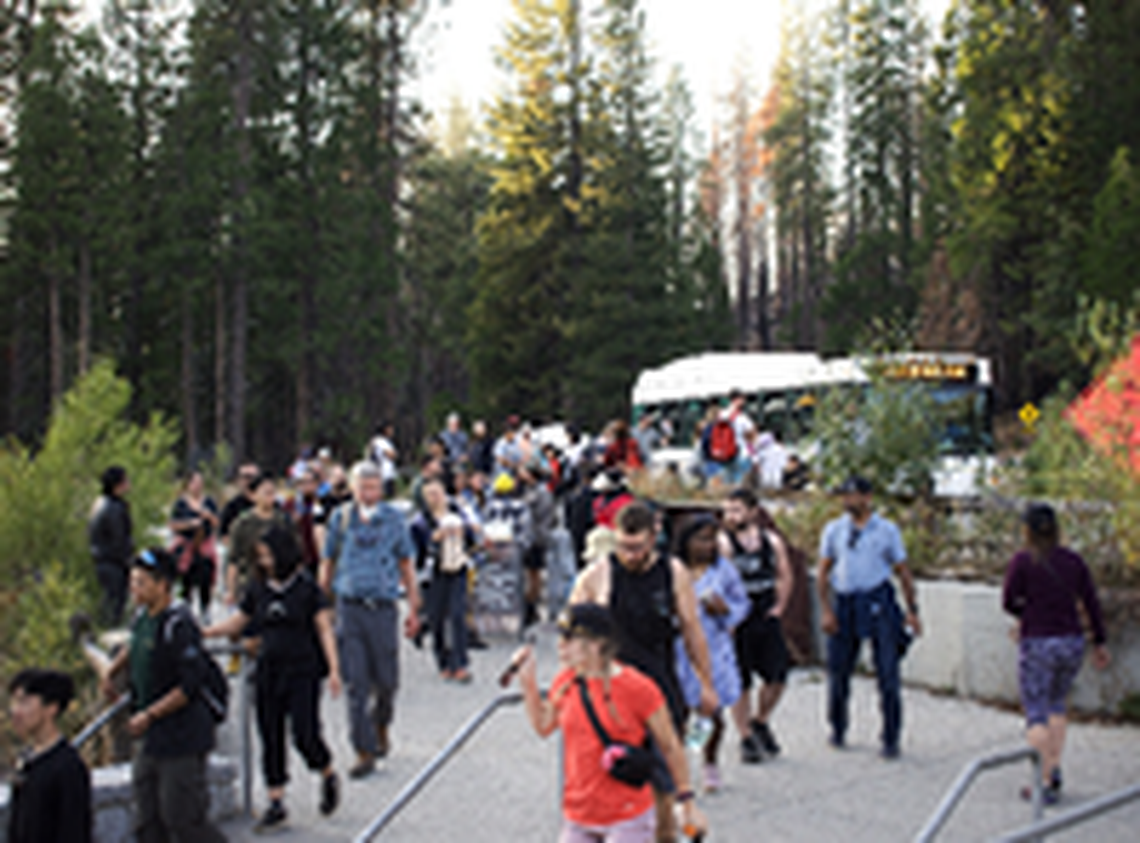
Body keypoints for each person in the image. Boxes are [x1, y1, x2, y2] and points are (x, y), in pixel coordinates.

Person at [570, 502, 718, 843]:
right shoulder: (598, 575)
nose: (630, 554)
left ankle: (665, 835)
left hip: (660, 687)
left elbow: (693, 631)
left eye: (637, 547)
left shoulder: (673, 572)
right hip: (613, 692)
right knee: (616, 781)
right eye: (623, 546)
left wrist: (706, 683)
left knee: (665, 783)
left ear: (654, 538)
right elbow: (572, 632)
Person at [514, 604, 708, 843]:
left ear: (597, 644)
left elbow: (670, 745)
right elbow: (544, 725)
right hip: (578, 813)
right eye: (560, 637)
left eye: (570, 638)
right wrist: (527, 683)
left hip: (628, 814)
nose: (560, 645)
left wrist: (685, 799)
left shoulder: (639, 688)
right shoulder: (566, 680)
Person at [204, 526, 342, 830]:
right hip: (269, 668)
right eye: (261, 557)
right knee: (271, 734)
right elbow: (241, 619)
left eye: (268, 556)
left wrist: (334, 669)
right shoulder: (258, 587)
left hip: (302, 669)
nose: (265, 562)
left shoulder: (306, 587)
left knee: (305, 733)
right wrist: (209, 632)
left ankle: (327, 771)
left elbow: (323, 628)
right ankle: (276, 799)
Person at [98, 548, 226, 843]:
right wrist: (111, 672)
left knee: (183, 819)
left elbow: (189, 685)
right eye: (133, 581)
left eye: (142, 582)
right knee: (147, 820)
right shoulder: (142, 615)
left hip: (181, 735)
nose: (134, 589)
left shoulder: (179, 624)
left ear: (163, 585)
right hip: (151, 737)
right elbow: (134, 643)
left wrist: (150, 714)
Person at [319, 461, 422, 779]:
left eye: (374, 486)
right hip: (351, 605)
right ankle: (362, 749)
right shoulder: (342, 517)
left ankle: (381, 724)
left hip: (384, 604)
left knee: (387, 679)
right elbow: (328, 559)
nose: (369, 493)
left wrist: (414, 605)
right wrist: (322, 600)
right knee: (356, 683)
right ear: (353, 487)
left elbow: (406, 562)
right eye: (363, 486)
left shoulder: (394, 519)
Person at [1002, 503, 1111, 804]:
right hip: (1071, 642)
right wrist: (1100, 642)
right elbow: (1091, 603)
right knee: (1056, 705)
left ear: (1026, 530)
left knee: (1036, 709)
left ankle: (1044, 780)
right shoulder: (1074, 561)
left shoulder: (1022, 561)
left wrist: (1029, 613)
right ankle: (1055, 766)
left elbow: (1009, 601)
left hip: (1038, 641)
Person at [817, 475, 922, 758]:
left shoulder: (886, 530)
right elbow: (824, 569)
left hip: (877, 598)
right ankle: (838, 727)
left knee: (887, 672)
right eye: (845, 496)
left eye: (853, 495)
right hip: (846, 599)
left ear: (867, 497)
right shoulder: (835, 530)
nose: (848, 501)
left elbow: (903, 571)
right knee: (838, 671)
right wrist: (826, 609)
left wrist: (912, 610)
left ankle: (891, 736)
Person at [673, 515, 749, 792]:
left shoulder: (723, 570)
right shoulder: (673, 569)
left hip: (713, 646)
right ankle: (679, 766)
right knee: (677, 712)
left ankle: (709, 761)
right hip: (679, 648)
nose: (708, 545)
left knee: (711, 710)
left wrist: (725, 610)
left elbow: (742, 602)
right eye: (701, 539)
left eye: (712, 539)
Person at [719, 488, 794, 763]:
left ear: (753, 511)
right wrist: (726, 618)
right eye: (727, 511)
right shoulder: (724, 543)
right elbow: (720, 582)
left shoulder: (770, 541)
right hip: (739, 619)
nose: (730, 516)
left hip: (765, 612)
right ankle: (745, 735)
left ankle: (761, 720)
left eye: (736, 510)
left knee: (777, 676)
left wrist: (780, 607)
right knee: (741, 681)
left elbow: (785, 574)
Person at [6, 668, 92, 843]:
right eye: (15, 702)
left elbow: (74, 832)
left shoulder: (68, 767)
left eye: (25, 702)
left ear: (51, 708)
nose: (16, 711)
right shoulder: (26, 760)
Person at [410, 478, 477, 682]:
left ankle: (460, 663)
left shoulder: (459, 512)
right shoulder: (420, 522)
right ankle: (443, 660)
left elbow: (473, 538)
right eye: (429, 494)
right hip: (434, 572)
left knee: (458, 614)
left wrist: (464, 534)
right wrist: (433, 539)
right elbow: (416, 554)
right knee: (436, 618)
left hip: (458, 567)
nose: (435, 498)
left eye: (437, 492)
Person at [227, 473, 295, 606]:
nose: (270, 497)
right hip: (249, 585)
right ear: (253, 495)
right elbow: (233, 560)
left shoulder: (284, 522)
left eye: (272, 492)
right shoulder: (242, 524)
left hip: (279, 585)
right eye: (265, 492)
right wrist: (231, 590)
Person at [169, 470, 220, 622]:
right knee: (186, 580)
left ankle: (205, 609)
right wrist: (189, 524)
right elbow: (172, 525)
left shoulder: (209, 502)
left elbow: (217, 522)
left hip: (204, 545)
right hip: (186, 545)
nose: (197, 486)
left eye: (200, 483)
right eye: (194, 482)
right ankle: (185, 611)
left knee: (205, 579)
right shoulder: (180, 503)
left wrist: (208, 516)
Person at [89, 465, 134, 625]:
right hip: (113, 563)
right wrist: (129, 562)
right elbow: (119, 539)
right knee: (114, 606)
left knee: (108, 602)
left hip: (101, 560)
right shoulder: (114, 508)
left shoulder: (100, 503)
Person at [521, 464, 557, 628]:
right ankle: (531, 605)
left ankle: (531, 606)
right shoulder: (532, 491)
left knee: (533, 573)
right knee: (531, 573)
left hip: (536, 537)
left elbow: (539, 515)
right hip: (535, 535)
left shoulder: (540, 493)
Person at [285, 467, 323, 572]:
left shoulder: (324, 503)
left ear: (316, 484)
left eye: (310, 482)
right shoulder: (291, 505)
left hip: (320, 559)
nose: (306, 486)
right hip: (298, 560)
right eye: (302, 482)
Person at [367, 422, 400, 499]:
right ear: (385, 430)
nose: (392, 431)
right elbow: (392, 454)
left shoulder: (376, 441)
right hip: (384, 473)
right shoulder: (380, 441)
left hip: (384, 473)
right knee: (388, 497)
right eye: (390, 428)